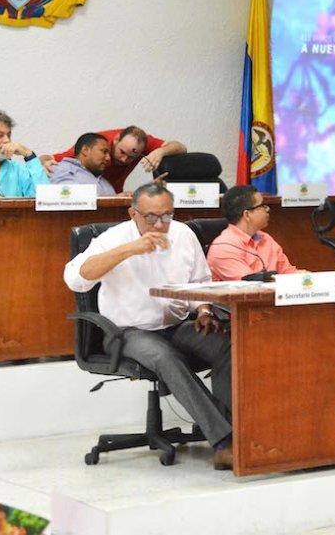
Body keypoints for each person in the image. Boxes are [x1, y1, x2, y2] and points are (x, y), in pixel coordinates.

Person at [63, 182, 233, 469]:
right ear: (133, 214)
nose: (160, 224)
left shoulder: (183, 234)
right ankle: (223, 441)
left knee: (227, 342)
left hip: (176, 324)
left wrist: (203, 309)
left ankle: (234, 431)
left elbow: (200, 283)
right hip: (127, 332)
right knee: (165, 357)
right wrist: (129, 249)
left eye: (167, 215)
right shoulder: (114, 238)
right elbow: (76, 278)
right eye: (151, 217)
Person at [45, 125, 187, 193]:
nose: (125, 160)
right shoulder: (97, 144)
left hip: (113, 195)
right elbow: (48, 159)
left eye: (132, 157)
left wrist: (161, 151)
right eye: (122, 152)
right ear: (116, 140)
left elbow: (180, 147)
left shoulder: (141, 144)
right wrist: (42, 163)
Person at [207, 185, 300, 281]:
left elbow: (288, 273)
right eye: (262, 206)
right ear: (247, 214)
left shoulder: (265, 238)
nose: (267, 209)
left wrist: (310, 279)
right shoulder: (224, 247)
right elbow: (251, 286)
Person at [47, 132, 117, 196]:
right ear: (85, 150)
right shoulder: (62, 168)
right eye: (104, 152)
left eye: (109, 154)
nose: (108, 158)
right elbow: (67, 197)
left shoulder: (104, 182)